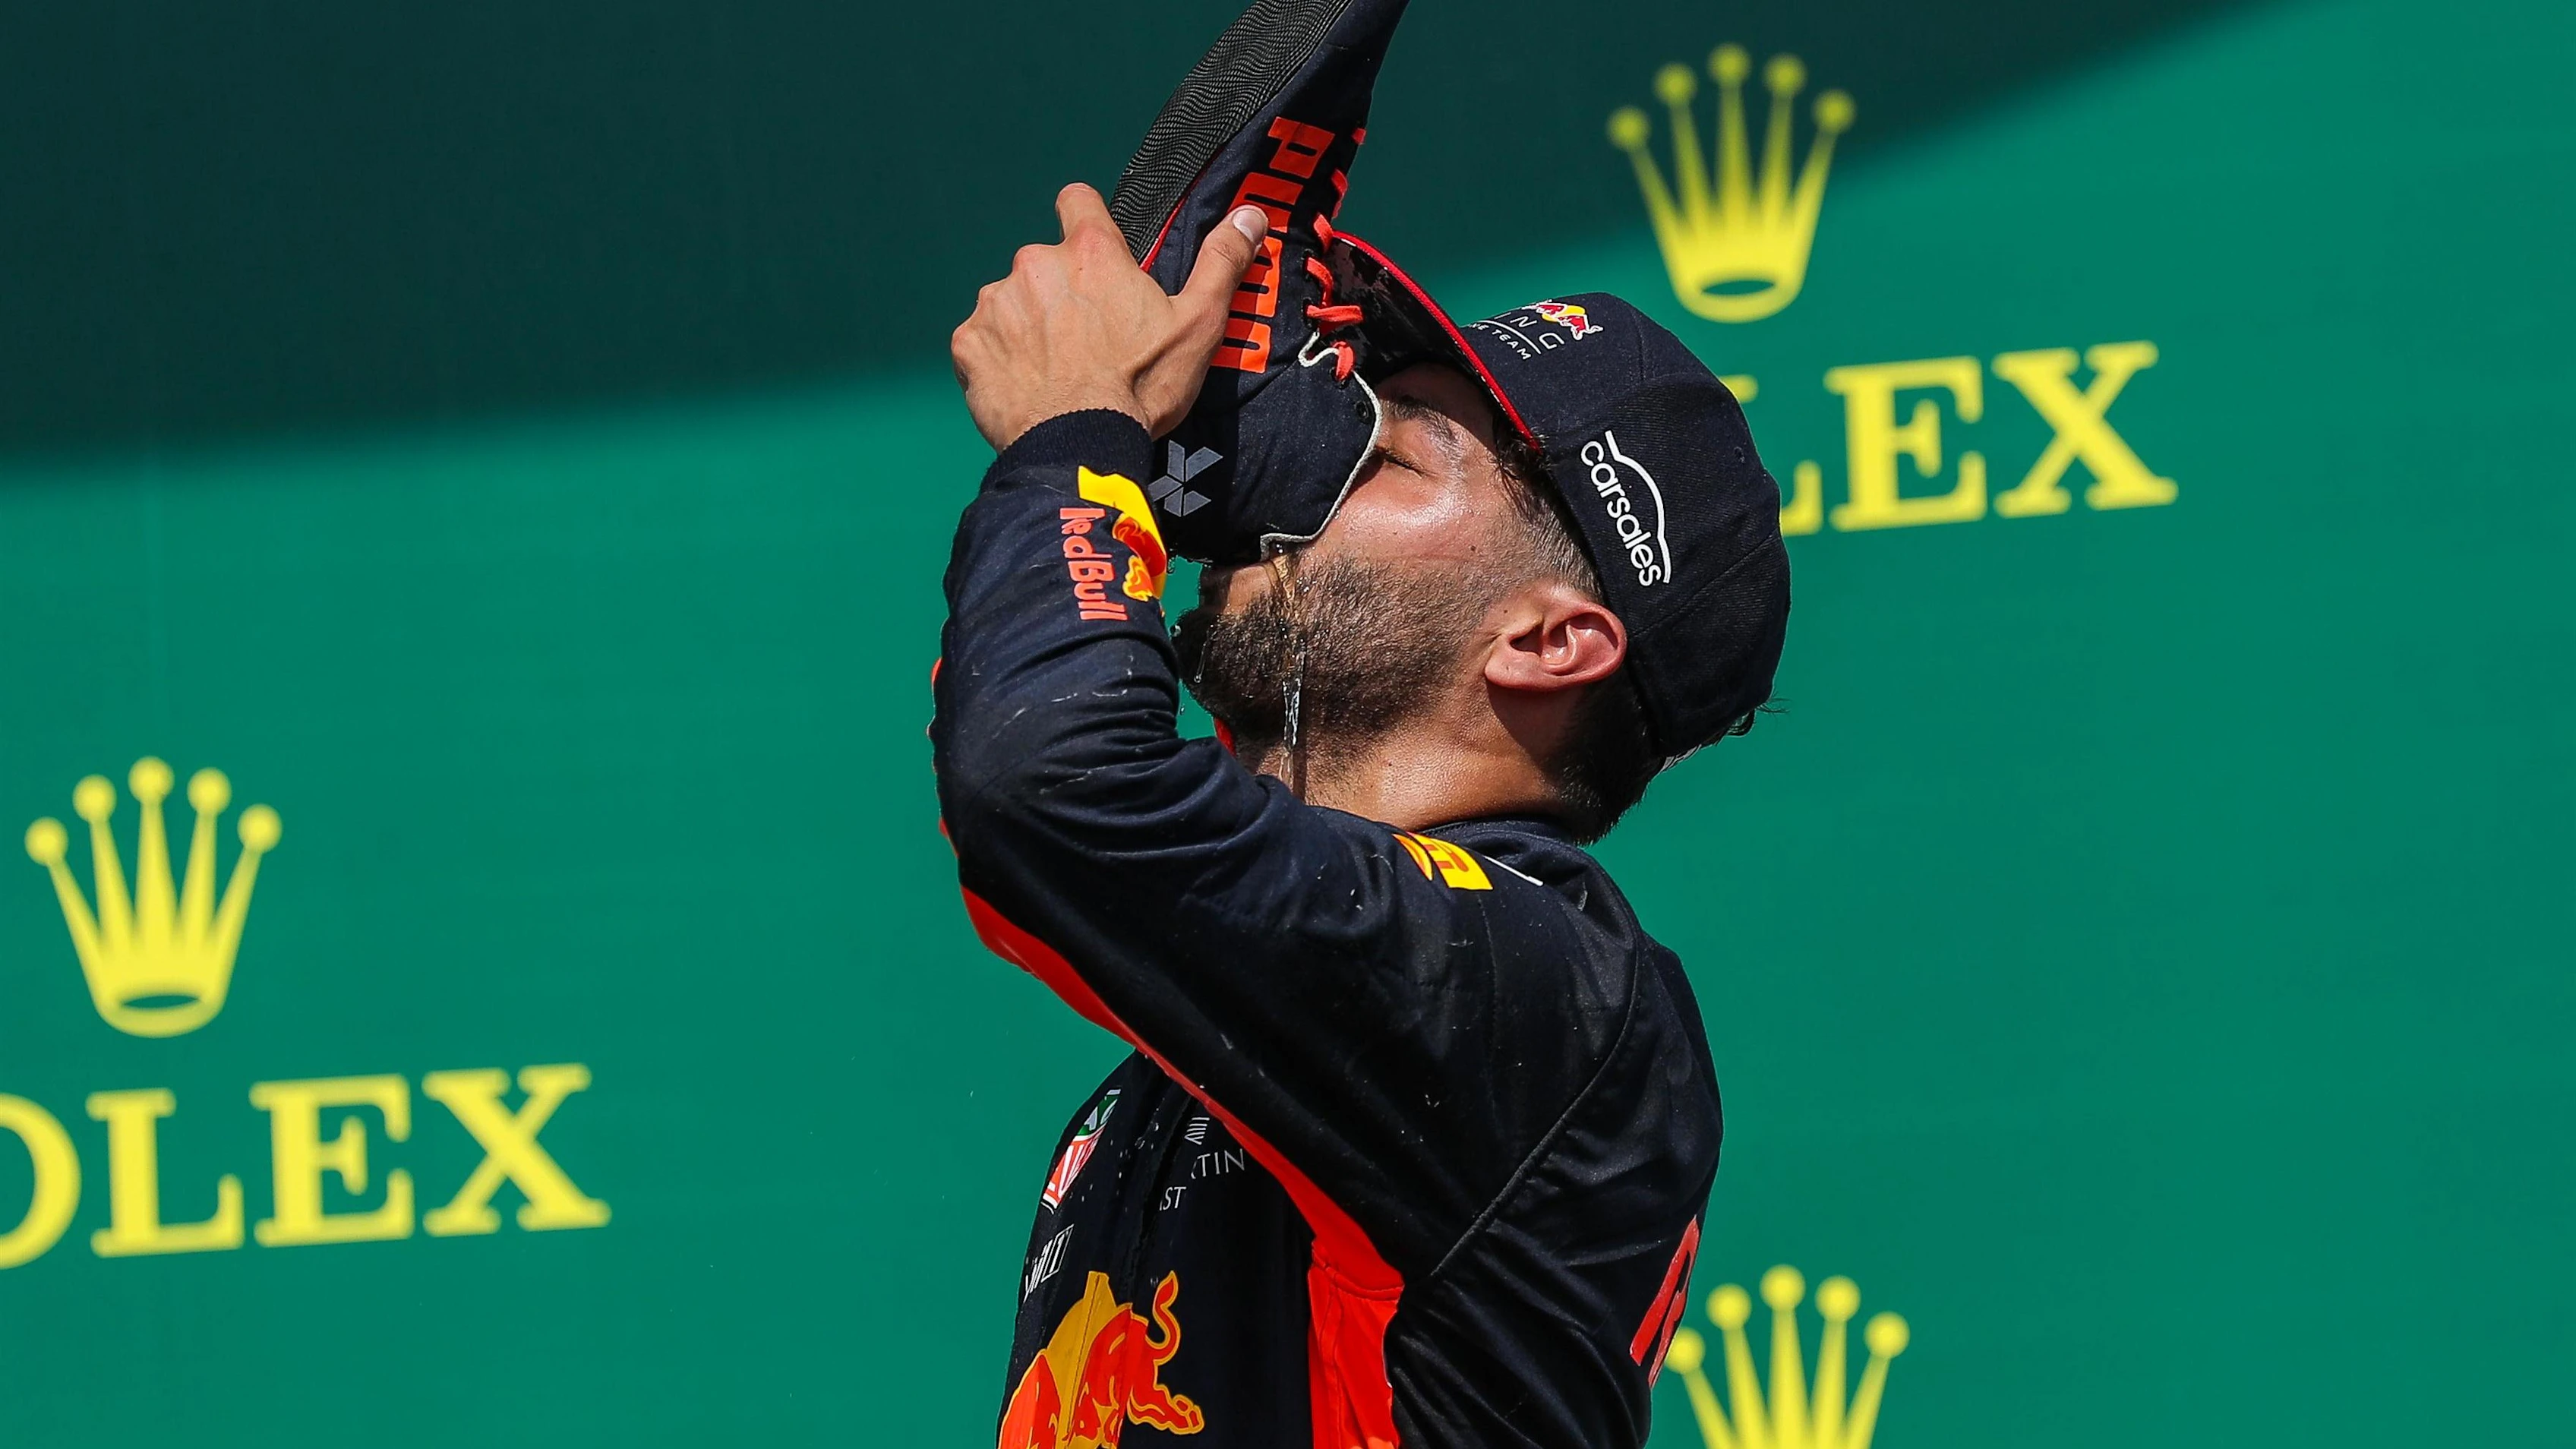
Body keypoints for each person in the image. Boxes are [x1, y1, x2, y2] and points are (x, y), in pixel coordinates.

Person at [936, 182, 1788, 1449]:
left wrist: (1076, 436)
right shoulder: (1214, 1052)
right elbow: (1049, 778)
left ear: (1548, 641)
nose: (1302, 475)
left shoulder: (1550, 989)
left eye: (1383, 455)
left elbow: (1054, 782)